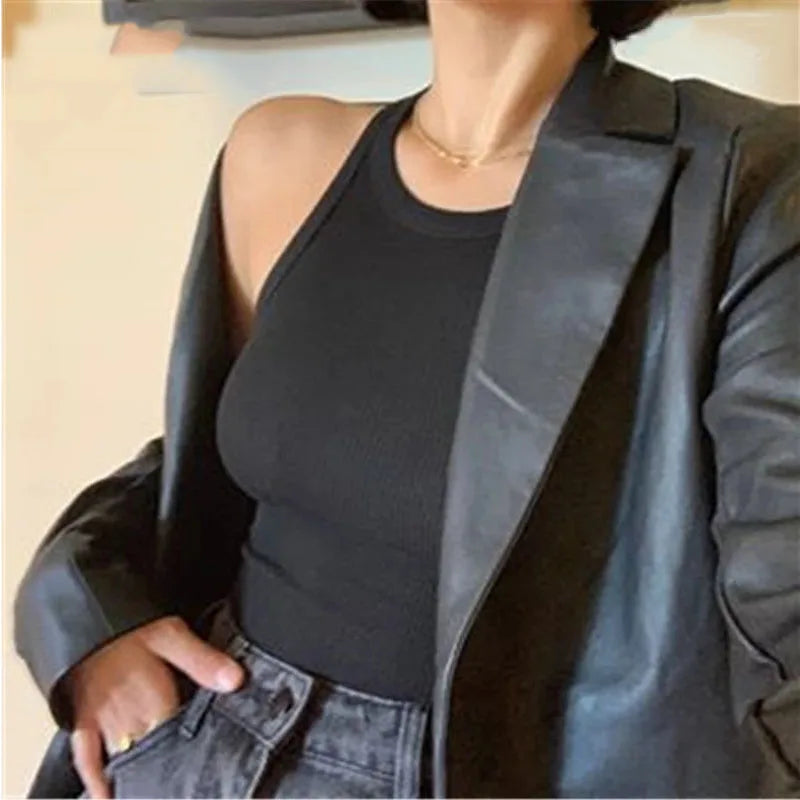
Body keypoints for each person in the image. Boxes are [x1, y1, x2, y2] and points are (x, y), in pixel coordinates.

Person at [13, 0, 800, 797]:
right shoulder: (281, 155)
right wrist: (84, 611)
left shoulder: (744, 179)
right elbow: (217, 471)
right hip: (206, 738)